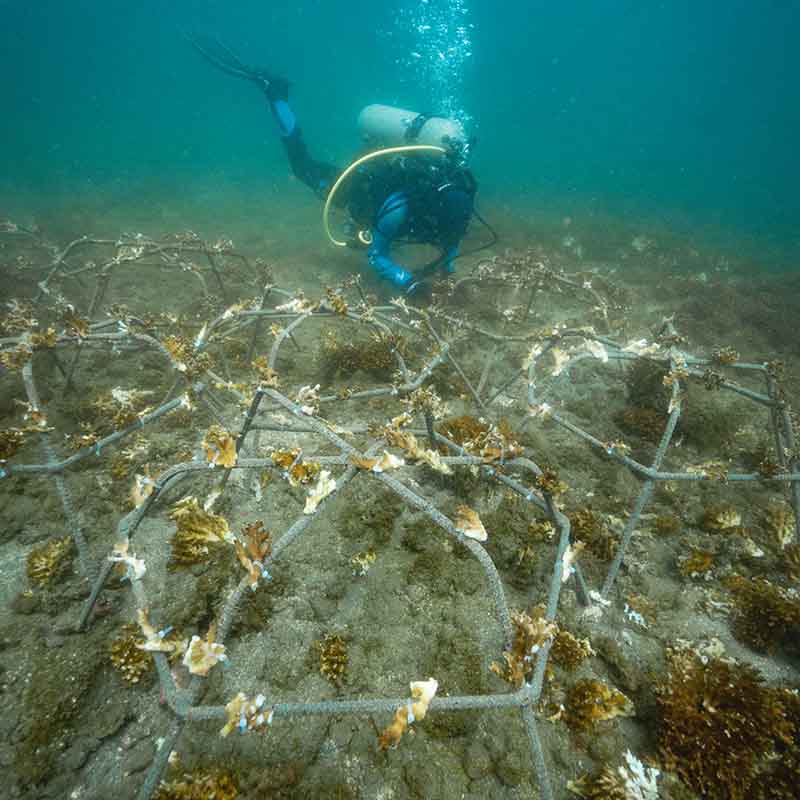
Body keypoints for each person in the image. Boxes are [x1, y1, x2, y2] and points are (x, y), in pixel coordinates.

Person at [188, 36, 481, 296]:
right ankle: (273, 93)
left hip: (384, 180)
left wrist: (449, 271)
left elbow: (452, 241)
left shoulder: (457, 207)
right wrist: (406, 282)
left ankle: (280, 96)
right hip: (354, 187)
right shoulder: (403, 206)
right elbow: (377, 256)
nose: (454, 230)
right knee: (303, 166)